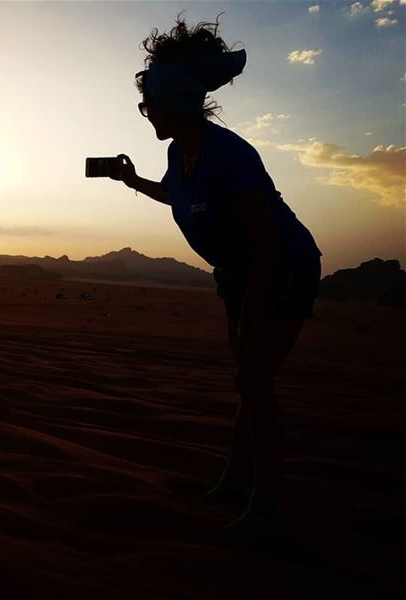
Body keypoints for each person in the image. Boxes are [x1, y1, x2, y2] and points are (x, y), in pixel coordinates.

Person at [109, 14, 322, 538]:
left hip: (281, 270)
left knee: (253, 380)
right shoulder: (178, 150)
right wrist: (132, 180)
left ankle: (266, 506)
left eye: (148, 104)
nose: (146, 113)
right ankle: (235, 478)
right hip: (238, 274)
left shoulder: (230, 154)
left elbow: (267, 239)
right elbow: (176, 194)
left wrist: (251, 310)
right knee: (250, 382)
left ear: (174, 101)